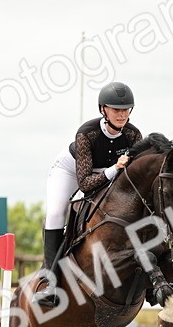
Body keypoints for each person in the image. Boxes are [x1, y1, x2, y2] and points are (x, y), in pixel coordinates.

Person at [35, 81, 143, 307]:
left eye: (125, 110)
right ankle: (50, 282)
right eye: (116, 109)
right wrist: (115, 169)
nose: (122, 115)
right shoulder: (87, 133)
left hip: (110, 173)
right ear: (103, 109)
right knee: (56, 213)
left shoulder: (133, 135)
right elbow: (84, 184)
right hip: (71, 171)